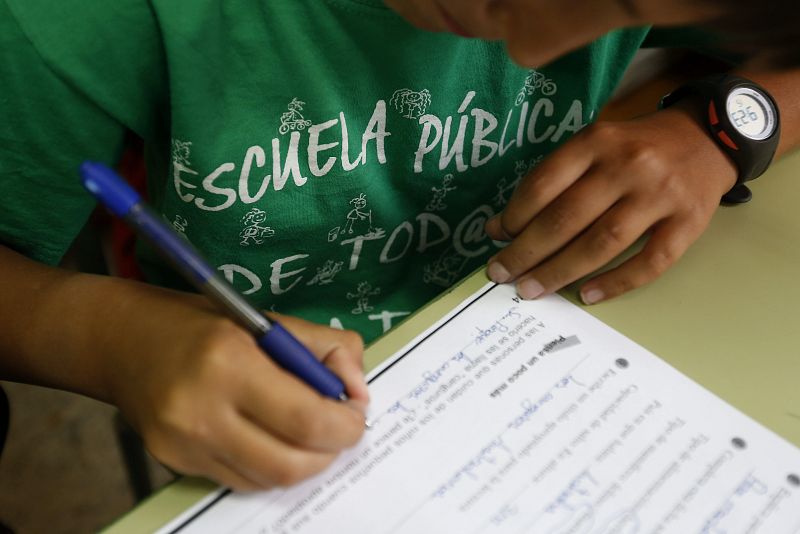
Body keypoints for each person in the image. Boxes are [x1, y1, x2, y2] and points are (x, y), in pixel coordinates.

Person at [0, 0, 797, 491]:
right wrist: (109, 337)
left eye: (623, 5)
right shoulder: (76, 16)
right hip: (251, 395)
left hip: (565, 369)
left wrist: (727, 128)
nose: (537, 49)